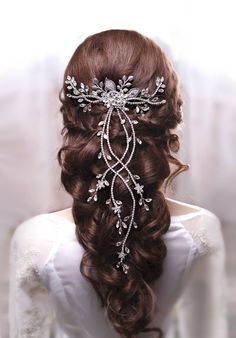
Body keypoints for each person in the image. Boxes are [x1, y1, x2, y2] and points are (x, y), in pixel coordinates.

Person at [8, 29, 228, 338]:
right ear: (170, 117)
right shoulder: (202, 231)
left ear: (73, 122)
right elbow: (206, 332)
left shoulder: (35, 239)